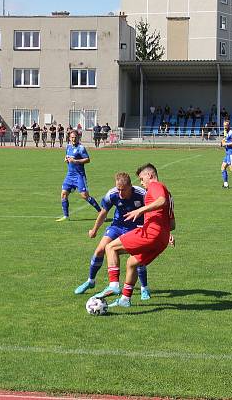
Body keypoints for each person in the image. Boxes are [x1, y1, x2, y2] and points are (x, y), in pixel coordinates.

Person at [93, 163, 175, 308]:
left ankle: (113, 285)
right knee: (132, 263)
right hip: (161, 238)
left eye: (142, 179)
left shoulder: (156, 186)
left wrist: (140, 210)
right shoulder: (168, 193)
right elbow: (172, 224)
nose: (142, 183)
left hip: (152, 233)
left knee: (110, 247)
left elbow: (161, 201)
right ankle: (125, 299)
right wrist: (166, 234)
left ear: (149, 175)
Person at [73, 172, 152, 300]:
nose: (120, 193)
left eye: (123, 190)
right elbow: (104, 213)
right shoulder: (112, 194)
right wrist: (94, 229)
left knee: (137, 257)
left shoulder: (141, 194)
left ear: (130, 186)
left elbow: (153, 212)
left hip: (135, 228)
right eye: (118, 189)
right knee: (99, 250)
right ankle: (90, 281)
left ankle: (144, 288)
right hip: (118, 226)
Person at [55, 130, 102, 222]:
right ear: (69, 138)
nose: (73, 139)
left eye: (75, 137)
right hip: (69, 175)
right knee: (64, 194)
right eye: (72, 137)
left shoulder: (81, 148)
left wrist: (76, 161)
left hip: (79, 176)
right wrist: (66, 159)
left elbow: (88, 159)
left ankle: (100, 212)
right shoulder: (68, 147)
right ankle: (66, 216)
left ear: (78, 138)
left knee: (84, 196)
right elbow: (68, 156)